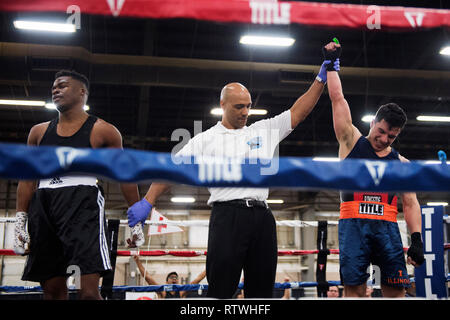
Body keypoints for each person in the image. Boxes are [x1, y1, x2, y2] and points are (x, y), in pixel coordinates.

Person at [126, 41, 337, 299]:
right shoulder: (204, 139)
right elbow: (172, 169)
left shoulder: (263, 131)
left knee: (261, 293)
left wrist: (320, 78)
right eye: (239, 106)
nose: (246, 112)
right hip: (227, 217)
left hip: (262, 218)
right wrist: (147, 202)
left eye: (248, 105)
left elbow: (298, 112)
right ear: (223, 104)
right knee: (222, 291)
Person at [14, 70, 140, 300]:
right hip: (43, 207)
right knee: (52, 292)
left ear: (82, 92)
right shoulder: (38, 132)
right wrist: (20, 220)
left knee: (89, 294)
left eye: (62, 85)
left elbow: (125, 174)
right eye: (54, 87)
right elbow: (27, 178)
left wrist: (136, 221)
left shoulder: (103, 130)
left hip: (83, 206)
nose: (55, 90)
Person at [325, 41, 425, 297]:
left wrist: (416, 240)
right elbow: (338, 99)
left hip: (387, 229)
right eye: (380, 131)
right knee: (354, 290)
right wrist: (331, 65)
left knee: (396, 291)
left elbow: (411, 203)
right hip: (353, 226)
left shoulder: (401, 164)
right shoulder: (350, 141)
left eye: (390, 137)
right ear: (373, 122)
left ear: (397, 134)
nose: (383, 139)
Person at [134, 255, 206, 299]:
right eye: (172, 277)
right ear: (166, 282)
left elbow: (198, 278)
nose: (174, 279)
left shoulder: (181, 292)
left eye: (176, 278)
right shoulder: (163, 292)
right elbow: (147, 277)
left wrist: (211, 263)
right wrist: (137, 261)